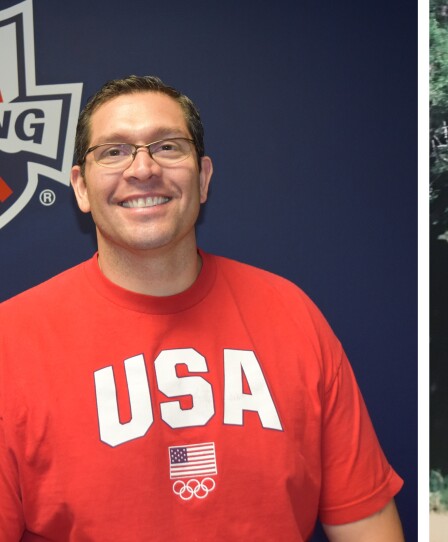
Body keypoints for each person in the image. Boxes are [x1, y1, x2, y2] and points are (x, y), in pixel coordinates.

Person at [0, 76, 404, 541]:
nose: (143, 168)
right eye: (113, 151)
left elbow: (367, 526)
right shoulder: (13, 341)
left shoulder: (292, 316)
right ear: (81, 188)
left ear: (204, 177)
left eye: (168, 146)